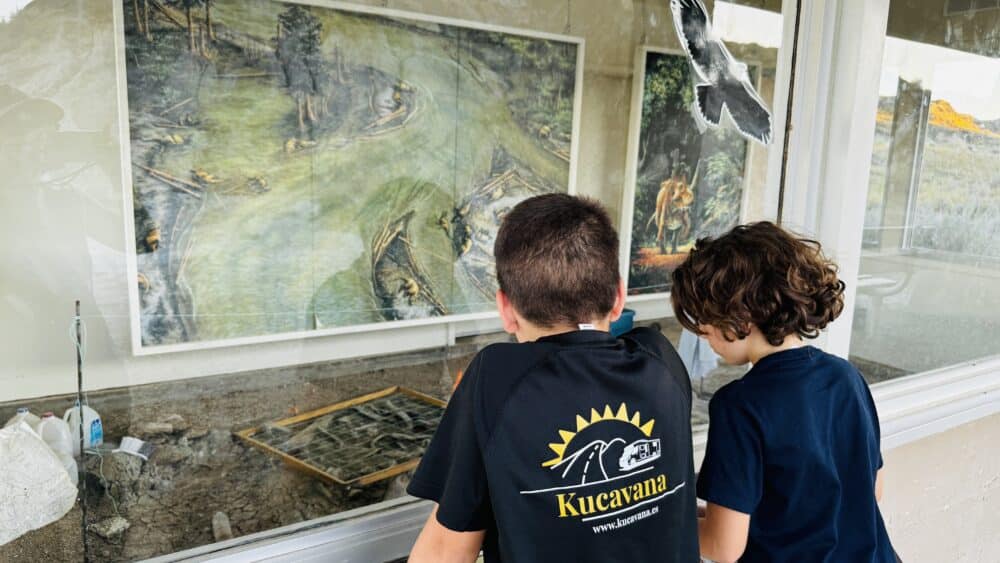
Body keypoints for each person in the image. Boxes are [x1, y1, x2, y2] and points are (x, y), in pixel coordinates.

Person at [407, 194, 699, 563]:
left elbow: (446, 550)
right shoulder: (662, 362)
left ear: (505, 310)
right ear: (619, 297)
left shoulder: (496, 379)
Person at [670, 222, 897, 563]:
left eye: (705, 318)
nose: (702, 332)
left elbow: (723, 547)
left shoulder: (739, 405)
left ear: (742, 316)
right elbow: (871, 490)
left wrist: (663, 522)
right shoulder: (846, 377)